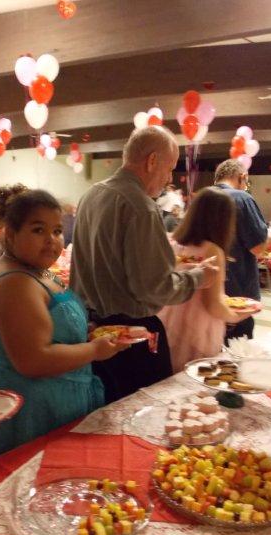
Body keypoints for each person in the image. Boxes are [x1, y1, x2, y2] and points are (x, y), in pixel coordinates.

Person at [0, 190, 124, 463]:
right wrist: (94, 350)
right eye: (38, 230)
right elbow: (33, 360)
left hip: (51, 400)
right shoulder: (15, 283)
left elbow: (50, 325)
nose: (51, 240)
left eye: (57, 231)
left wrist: (87, 332)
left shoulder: (35, 270)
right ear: (10, 234)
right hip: (30, 407)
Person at [71, 126, 218, 403]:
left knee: (105, 411)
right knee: (140, 413)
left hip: (92, 329)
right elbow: (155, 288)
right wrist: (200, 277)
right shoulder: (141, 207)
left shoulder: (92, 194)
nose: (169, 178)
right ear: (152, 161)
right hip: (130, 337)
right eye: (169, 168)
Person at [158, 188, 250, 371]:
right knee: (194, 376)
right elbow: (213, 304)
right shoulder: (212, 250)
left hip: (168, 320)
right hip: (198, 328)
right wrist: (236, 316)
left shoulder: (173, 242)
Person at [213, 159, 269, 340]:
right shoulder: (242, 198)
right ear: (242, 177)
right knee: (237, 347)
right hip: (236, 289)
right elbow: (258, 247)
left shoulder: (202, 197)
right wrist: (269, 240)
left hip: (206, 288)